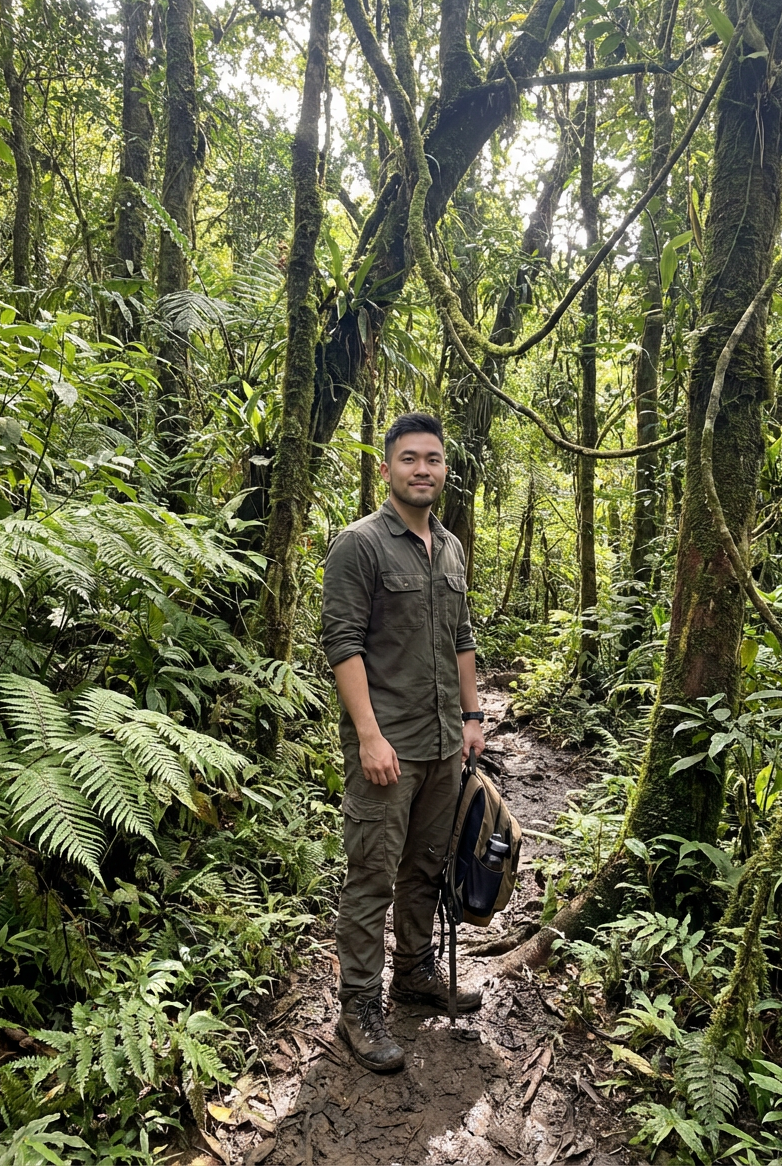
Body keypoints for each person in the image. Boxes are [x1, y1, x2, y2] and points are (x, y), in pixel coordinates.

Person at [320, 412, 486, 1072]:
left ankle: (414, 973)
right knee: (372, 877)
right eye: (410, 458)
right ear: (387, 467)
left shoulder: (450, 548)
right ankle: (358, 1007)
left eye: (433, 459)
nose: (422, 469)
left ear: (445, 469)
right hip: (386, 749)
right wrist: (368, 736)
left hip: (444, 743)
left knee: (426, 868)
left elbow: (462, 637)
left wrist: (472, 718)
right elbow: (342, 644)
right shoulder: (359, 544)